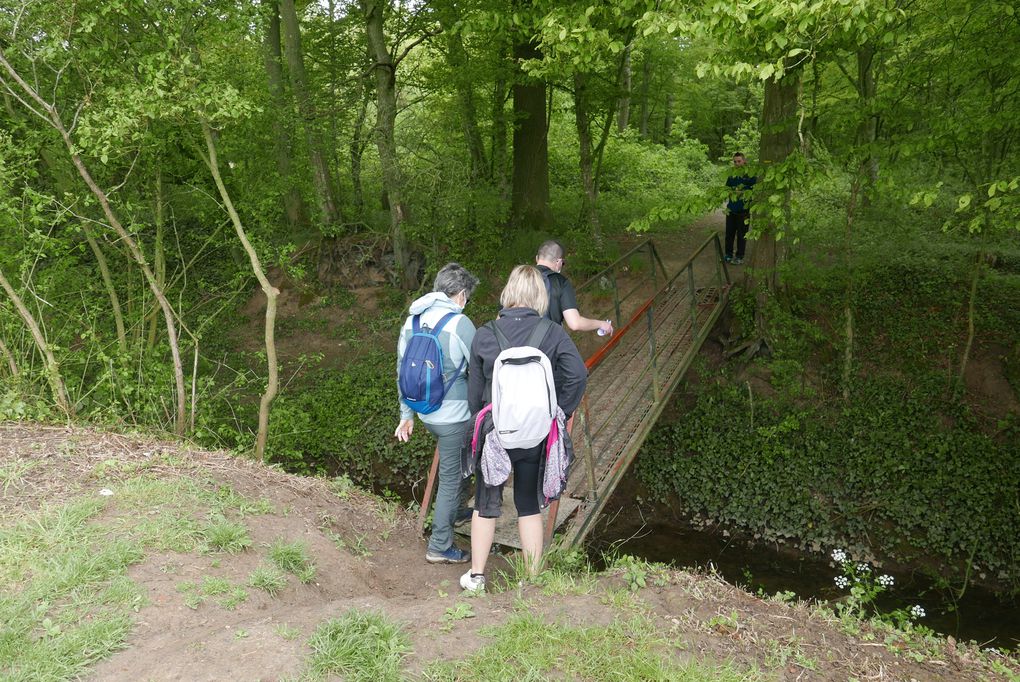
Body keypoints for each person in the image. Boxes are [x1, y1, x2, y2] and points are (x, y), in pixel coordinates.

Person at [460, 265, 588, 592]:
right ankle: (530, 580)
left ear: (509, 292)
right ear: (539, 296)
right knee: (528, 503)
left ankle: (476, 576)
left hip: (495, 432)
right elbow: (577, 375)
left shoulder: (485, 333)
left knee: (486, 504)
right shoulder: (552, 332)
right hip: (536, 432)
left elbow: (474, 393)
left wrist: (486, 422)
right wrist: (559, 411)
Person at [395, 262, 479, 564]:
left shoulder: (412, 321)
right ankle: (440, 545)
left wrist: (406, 415)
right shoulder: (460, 324)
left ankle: (456, 513)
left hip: (423, 413)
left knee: (454, 462)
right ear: (460, 294)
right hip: (453, 417)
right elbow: (479, 368)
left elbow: (402, 370)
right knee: (451, 477)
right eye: (466, 296)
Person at [535, 240, 613, 336]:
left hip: (516, 343)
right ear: (558, 261)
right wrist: (601, 324)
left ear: (537, 258)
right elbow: (575, 323)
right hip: (546, 343)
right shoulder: (560, 282)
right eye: (562, 263)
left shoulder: (519, 279)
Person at [724, 152, 757, 265]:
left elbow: (755, 191)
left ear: (744, 161)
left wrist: (742, 192)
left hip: (743, 211)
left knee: (742, 235)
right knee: (729, 234)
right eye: (735, 161)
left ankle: (739, 256)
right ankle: (728, 255)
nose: (737, 163)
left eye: (739, 161)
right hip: (731, 209)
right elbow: (726, 189)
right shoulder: (732, 175)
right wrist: (730, 192)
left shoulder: (751, 175)